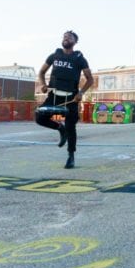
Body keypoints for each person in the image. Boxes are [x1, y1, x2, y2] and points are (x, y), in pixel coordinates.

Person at [36, 30, 94, 169]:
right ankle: (59, 128)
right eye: (64, 36)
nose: (66, 38)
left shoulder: (79, 58)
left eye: (69, 37)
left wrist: (81, 92)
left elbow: (90, 79)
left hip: (71, 98)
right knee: (39, 118)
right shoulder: (55, 55)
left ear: (75, 41)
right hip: (54, 95)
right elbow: (41, 72)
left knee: (71, 127)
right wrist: (43, 85)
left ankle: (71, 156)